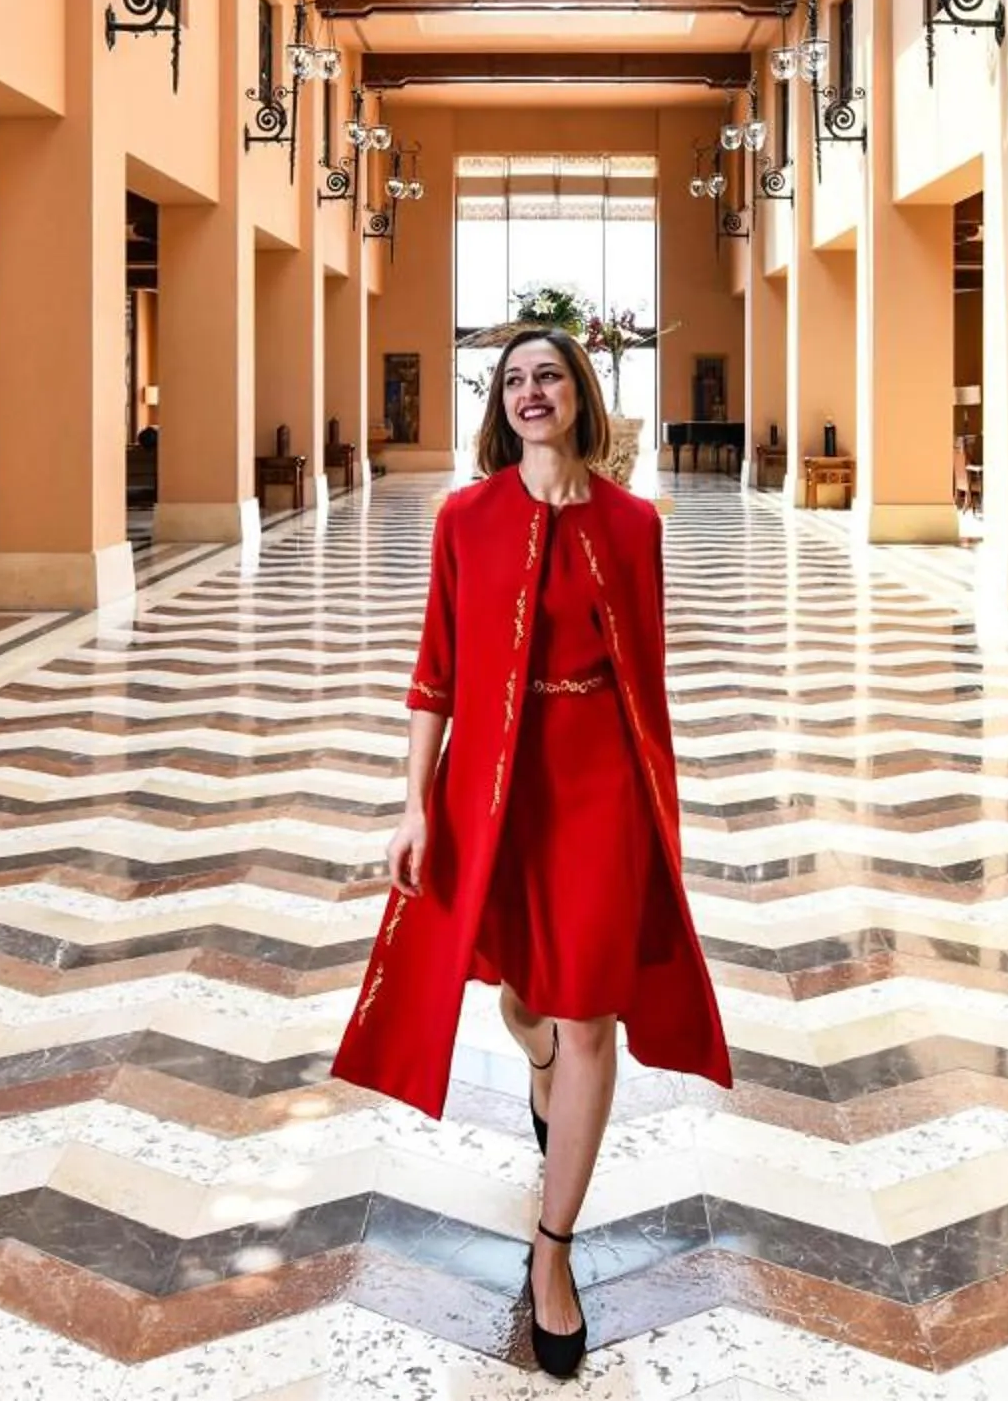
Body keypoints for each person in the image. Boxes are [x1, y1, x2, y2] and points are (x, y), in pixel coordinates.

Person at [329, 328, 732, 1378]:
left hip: (599, 784)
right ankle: (538, 1055)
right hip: (493, 787)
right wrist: (416, 804)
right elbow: (435, 672)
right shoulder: (463, 518)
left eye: (547, 374)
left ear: (579, 393)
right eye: (513, 380)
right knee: (522, 994)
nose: (530, 391)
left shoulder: (636, 524)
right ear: (498, 404)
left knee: (588, 1005)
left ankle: (553, 1251)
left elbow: (647, 680)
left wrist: (655, 814)